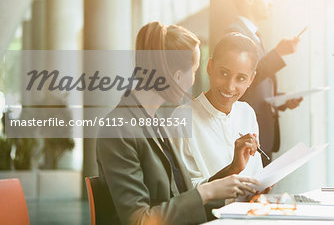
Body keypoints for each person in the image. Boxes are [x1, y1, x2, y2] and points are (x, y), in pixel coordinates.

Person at [96, 22, 259, 225]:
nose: (193, 81)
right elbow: (138, 220)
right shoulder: (119, 128)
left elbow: (181, 199)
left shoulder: (151, 121)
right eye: (194, 71)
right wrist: (206, 192)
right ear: (176, 76)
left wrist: (228, 180)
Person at [228, 0, 303, 164]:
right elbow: (243, 77)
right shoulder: (236, 33)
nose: (271, 2)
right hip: (248, 133)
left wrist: (281, 100)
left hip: (261, 132)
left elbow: (256, 85)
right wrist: (278, 53)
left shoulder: (254, 35)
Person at [174, 33, 263, 189]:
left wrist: (261, 186)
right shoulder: (183, 118)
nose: (229, 86)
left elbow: (256, 175)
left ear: (251, 80)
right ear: (209, 67)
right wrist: (233, 169)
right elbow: (185, 192)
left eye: (241, 78)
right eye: (224, 73)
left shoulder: (247, 113)